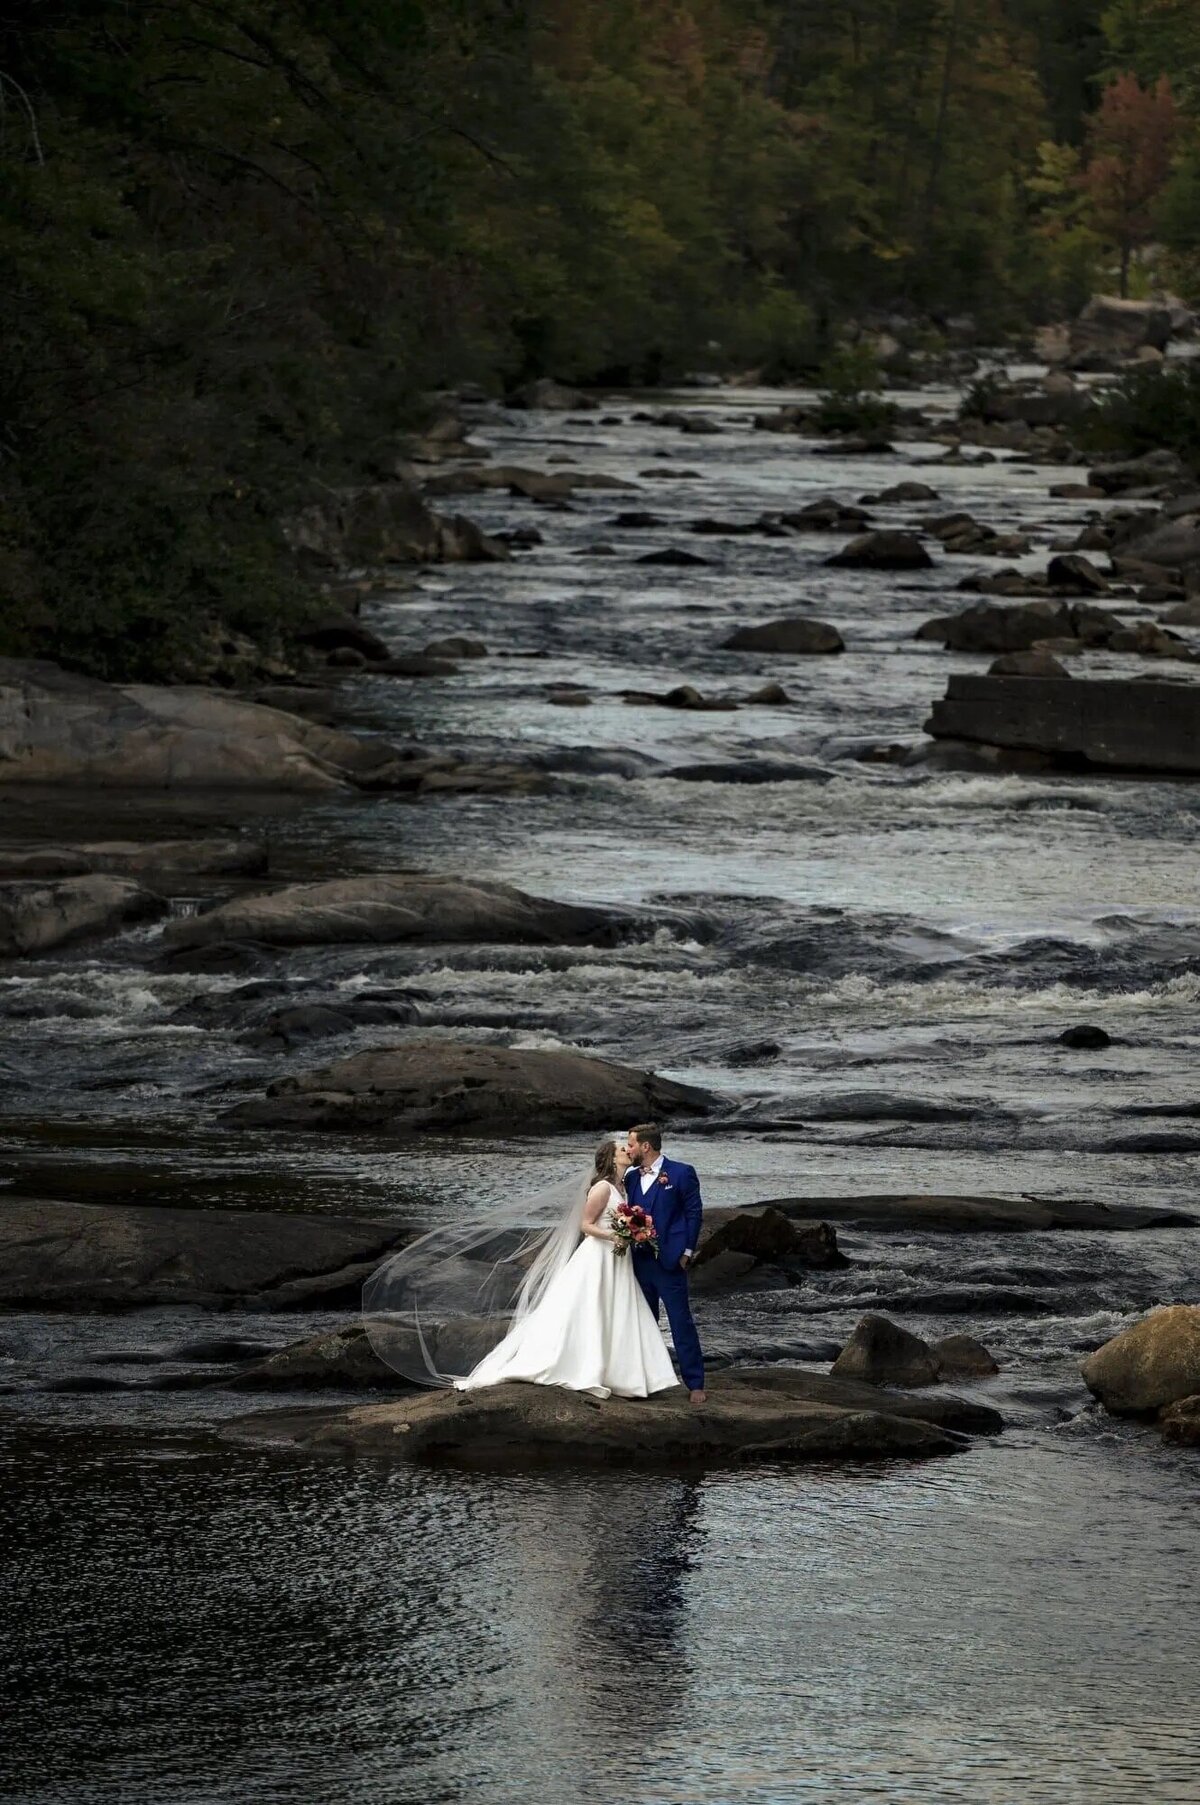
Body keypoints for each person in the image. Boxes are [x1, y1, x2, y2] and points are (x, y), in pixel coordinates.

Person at [453, 1137, 681, 1400]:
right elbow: (585, 1226)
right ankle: (582, 1365)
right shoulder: (602, 1188)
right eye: (622, 1149)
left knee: (616, 1309)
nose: (628, 1152)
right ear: (610, 1157)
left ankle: (621, 1374)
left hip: (617, 1259)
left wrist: (633, 1230)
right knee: (590, 1308)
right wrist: (615, 1236)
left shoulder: (622, 1187)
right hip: (599, 1256)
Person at [625, 1123, 706, 1405]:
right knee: (643, 1323)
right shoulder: (631, 1178)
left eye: (631, 1144)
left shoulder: (682, 1173)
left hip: (671, 1261)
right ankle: (644, 1380)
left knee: (680, 1322)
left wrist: (687, 1251)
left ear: (646, 1146)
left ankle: (695, 1382)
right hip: (638, 1260)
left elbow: (694, 1214)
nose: (628, 1149)